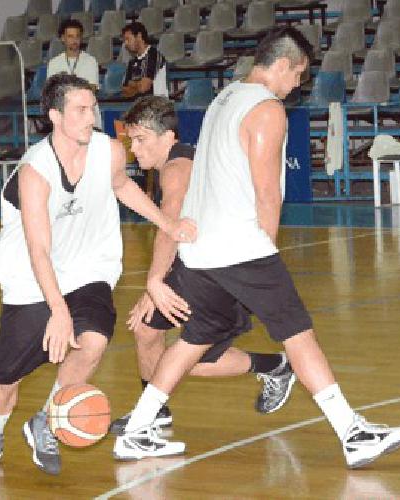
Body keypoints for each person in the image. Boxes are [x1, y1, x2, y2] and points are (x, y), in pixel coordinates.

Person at [111, 26, 400, 469]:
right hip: (240, 247)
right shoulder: (267, 109)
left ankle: (138, 430)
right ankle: (353, 434)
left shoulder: (226, 97)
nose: (299, 84)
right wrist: (267, 248)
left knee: (193, 339)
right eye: (298, 73)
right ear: (281, 64)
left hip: (202, 251)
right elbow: (267, 192)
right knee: (297, 333)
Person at [0, 74, 196, 477]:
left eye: (93, 108)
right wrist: (57, 309)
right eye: (81, 111)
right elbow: (38, 249)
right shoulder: (35, 171)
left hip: (89, 267)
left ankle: (46, 422)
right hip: (31, 277)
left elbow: (122, 186)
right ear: (55, 116)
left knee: (94, 341)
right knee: (6, 378)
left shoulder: (108, 151)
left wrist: (168, 224)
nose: (92, 118)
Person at [106, 95, 299, 436]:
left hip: (221, 272)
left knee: (186, 359)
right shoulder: (182, 160)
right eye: (130, 140)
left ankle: (274, 366)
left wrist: (155, 283)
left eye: (140, 140)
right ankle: (156, 414)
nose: (134, 150)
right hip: (201, 265)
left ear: (167, 137)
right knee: (150, 334)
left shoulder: (176, 170)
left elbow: (172, 225)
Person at [46, 19, 103, 130]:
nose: (74, 40)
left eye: (77, 36)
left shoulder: (90, 61)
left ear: (81, 38)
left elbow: (91, 89)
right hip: (65, 118)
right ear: (63, 38)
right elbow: (52, 91)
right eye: (70, 36)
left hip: (87, 115)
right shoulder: (54, 63)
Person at [120, 22, 169, 99]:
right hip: (139, 106)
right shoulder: (132, 62)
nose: (126, 43)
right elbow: (124, 91)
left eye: (128, 39)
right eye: (124, 40)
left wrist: (133, 85)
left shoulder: (154, 56)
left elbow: (144, 87)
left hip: (157, 106)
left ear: (139, 36)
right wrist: (138, 85)